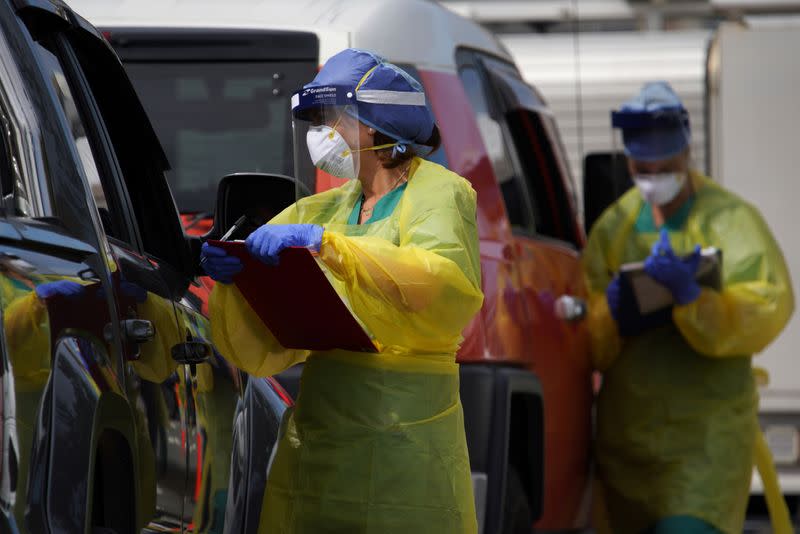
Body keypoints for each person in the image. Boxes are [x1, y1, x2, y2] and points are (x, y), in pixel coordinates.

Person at [200, 48, 484, 533]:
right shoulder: (321, 209)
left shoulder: (440, 192)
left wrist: (331, 249)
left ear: (374, 125)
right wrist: (234, 279)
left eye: (330, 119)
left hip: (405, 437)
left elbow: (440, 282)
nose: (320, 134)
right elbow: (261, 348)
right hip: (322, 439)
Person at [583, 81, 795, 534]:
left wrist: (696, 301)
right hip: (628, 448)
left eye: (666, 165)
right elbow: (584, 337)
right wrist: (610, 316)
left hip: (706, 442)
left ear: (686, 154)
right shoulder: (614, 228)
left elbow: (770, 302)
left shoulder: (729, 220)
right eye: (643, 166)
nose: (654, 176)